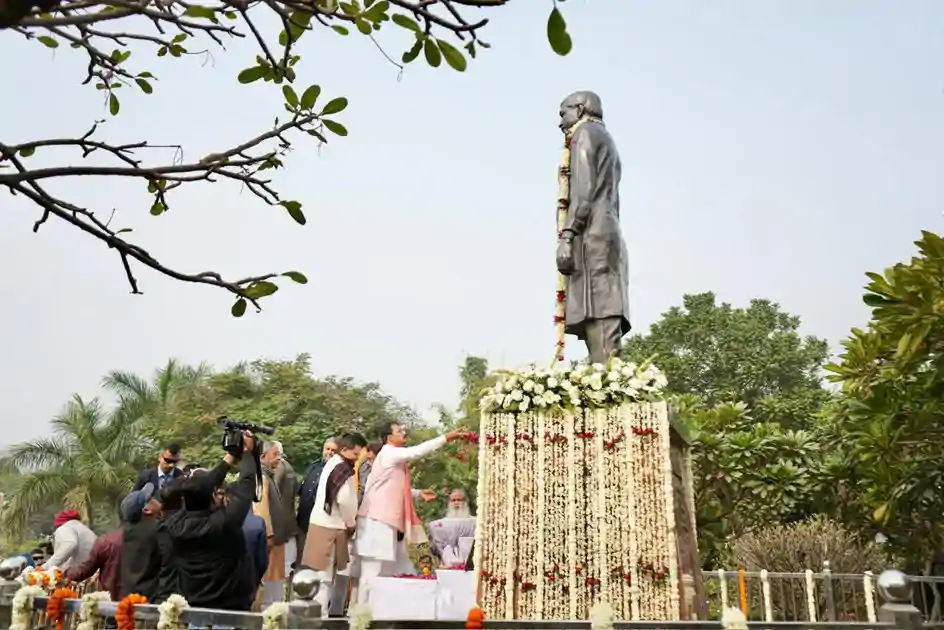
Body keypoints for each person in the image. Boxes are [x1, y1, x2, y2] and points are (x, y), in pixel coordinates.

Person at [354, 423, 463, 603]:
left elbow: (391, 486)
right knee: (372, 572)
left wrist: (418, 493)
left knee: (391, 570)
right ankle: (361, 617)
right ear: (389, 438)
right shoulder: (389, 452)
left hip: (385, 521)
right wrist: (446, 437)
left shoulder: (393, 457)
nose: (404, 432)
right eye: (399, 431)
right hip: (376, 521)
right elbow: (416, 452)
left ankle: (383, 615)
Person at [159, 432, 257, 610]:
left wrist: (230, 458)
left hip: (194, 606)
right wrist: (248, 452)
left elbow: (184, 489)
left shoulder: (173, 526)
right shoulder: (224, 523)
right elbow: (247, 482)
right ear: (213, 495)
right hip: (229, 608)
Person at [300, 432, 366, 617]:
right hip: (330, 526)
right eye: (355, 454)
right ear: (344, 449)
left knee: (321, 577)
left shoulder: (331, 463)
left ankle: (318, 616)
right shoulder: (341, 468)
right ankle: (320, 618)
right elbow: (344, 499)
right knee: (324, 579)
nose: (356, 458)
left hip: (321, 523)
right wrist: (351, 522)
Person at [254, 441, 291, 608]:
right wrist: (268, 536)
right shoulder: (261, 477)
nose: (279, 458)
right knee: (267, 594)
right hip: (268, 542)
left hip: (275, 542)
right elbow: (261, 510)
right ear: (262, 457)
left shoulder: (268, 475)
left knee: (274, 590)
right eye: (275, 454)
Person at [120, 482, 164, 600]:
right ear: (147, 510)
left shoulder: (127, 533)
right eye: (151, 498)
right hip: (151, 598)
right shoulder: (158, 530)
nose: (155, 499)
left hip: (130, 597)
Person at [296, 438, 338, 556]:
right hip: (303, 518)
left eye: (333, 450)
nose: (329, 452)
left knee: (316, 556)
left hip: (321, 521)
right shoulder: (314, 466)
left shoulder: (337, 471)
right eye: (327, 449)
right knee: (301, 553)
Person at [67, 525, 123, 600]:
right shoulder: (143, 540)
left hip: (112, 597)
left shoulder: (107, 540)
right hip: (140, 600)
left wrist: (67, 572)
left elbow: (85, 569)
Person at [270, 442, 299, 575]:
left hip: (280, 526)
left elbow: (272, 492)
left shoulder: (279, 468)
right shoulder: (289, 467)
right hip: (290, 521)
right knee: (288, 567)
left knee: (281, 569)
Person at [428, 489, 476, 567]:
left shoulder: (475, 522)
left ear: (465, 502)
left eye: (459, 500)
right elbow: (435, 547)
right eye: (453, 500)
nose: (456, 503)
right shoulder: (438, 524)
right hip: (447, 566)